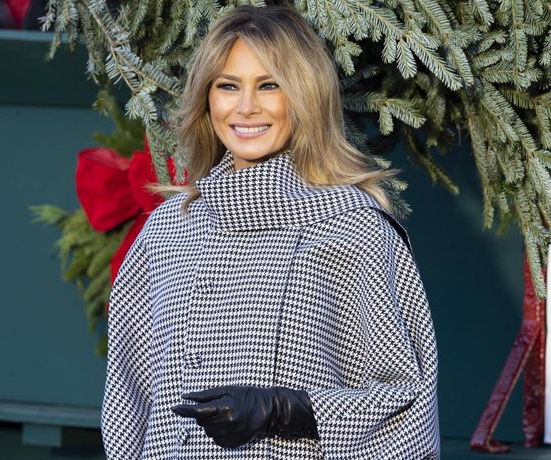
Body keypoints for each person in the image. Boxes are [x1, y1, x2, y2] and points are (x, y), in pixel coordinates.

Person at [101, 5, 439, 459]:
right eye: (227, 86)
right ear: (207, 98)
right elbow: (128, 395)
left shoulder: (353, 229)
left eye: (269, 85)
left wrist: (288, 411)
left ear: (304, 96)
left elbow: (407, 405)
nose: (245, 108)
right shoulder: (168, 230)